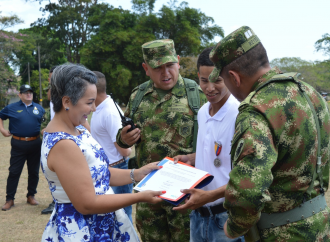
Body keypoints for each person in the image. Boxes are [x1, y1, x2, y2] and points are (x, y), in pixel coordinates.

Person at [207, 26, 330, 241]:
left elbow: (248, 190)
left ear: (234, 77)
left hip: (280, 232)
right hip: (320, 224)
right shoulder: (310, 93)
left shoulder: (256, 110)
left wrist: (234, 226)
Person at [41, 63, 164, 242]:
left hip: (101, 222)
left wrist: (136, 174)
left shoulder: (79, 130)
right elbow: (87, 204)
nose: (93, 109)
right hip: (85, 229)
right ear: (67, 101)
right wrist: (140, 197)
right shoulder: (63, 144)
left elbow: (98, 173)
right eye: (89, 102)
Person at [116, 39, 207, 242]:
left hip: (186, 196)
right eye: (158, 68)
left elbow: (216, 143)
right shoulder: (138, 97)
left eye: (169, 66)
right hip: (150, 197)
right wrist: (123, 139)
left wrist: (196, 156)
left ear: (178, 62)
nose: (166, 73)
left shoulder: (197, 95)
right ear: (146, 69)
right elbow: (122, 138)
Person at [173, 47, 244, 242]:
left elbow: (248, 176)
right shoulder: (203, 111)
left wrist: (211, 196)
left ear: (229, 77)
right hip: (199, 214)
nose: (210, 88)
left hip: (226, 216)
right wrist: (190, 158)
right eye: (204, 80)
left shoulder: (241, 114)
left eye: (217, 80)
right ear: (198, 77)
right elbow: (216, 153)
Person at [90, 71, 133, 222]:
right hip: (108, 171)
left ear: (93, 89)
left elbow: (125, 150)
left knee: (122, 221)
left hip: (117, 170)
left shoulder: (109, 112)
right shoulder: (99, 108)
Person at [0, 84, 45, 211]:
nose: (28, 94)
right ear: (20, 95)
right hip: (18, 144)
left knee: (34, 172)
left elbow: (44, 124)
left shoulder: (39, 108)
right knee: (14, 172)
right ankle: (10, 199)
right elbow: (1, 116)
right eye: (25, 92)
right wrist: (2, 130)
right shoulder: (11, 108)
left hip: (35, 143)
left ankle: (31, 195)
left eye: (30, 92)